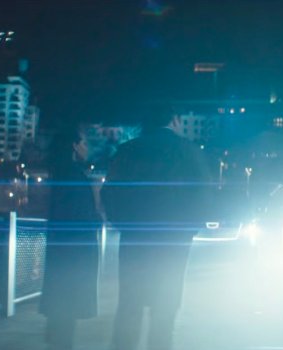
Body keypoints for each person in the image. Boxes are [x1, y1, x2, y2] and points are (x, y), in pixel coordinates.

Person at [102, 108, 212, 350]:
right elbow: (205, 194)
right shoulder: (190, 151)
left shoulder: (129, 150)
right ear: (175, 120)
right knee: (165, 311)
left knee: (130, 306)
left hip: (135, 239)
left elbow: (110, 192)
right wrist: (189, 229)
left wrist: (123, 225)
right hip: (174, 242)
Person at [39, 125, 102, 350]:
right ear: (74, 146)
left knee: (61, 310)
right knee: (67, 308)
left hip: (62, 251)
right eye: (84, 143)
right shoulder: (73, 175)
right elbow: (78, 215)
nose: (87, 147)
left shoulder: (62, 172)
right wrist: (97, 218)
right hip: (74, 253)